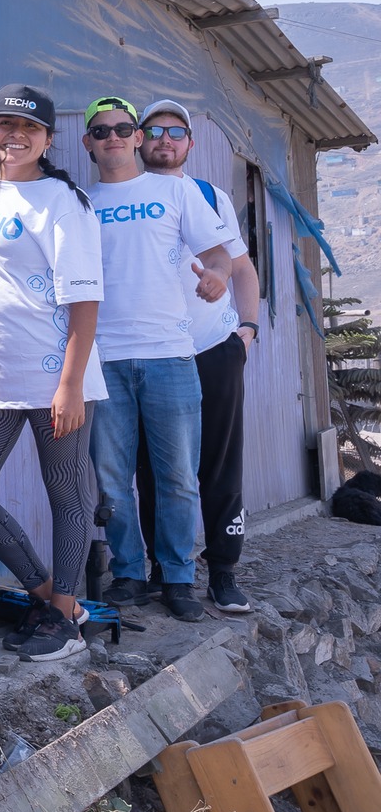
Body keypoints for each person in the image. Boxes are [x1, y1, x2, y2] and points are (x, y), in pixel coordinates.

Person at [0, 86, 105, 663]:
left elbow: (85, 302)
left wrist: (70, 383)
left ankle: (64, 614)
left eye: (29, 128)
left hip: (55, 373)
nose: (15, 136)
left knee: (66, 494)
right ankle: (50, 598)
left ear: (46, 138)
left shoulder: (63, 201)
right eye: (4, 125)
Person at [80, 97, 235, 622]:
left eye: (124, 128)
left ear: (138, 138)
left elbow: (219, 253)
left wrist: (216, 275)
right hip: (103, 360)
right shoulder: (79, 201)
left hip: (171, 355)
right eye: (102, 131)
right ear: (88, 143)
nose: (114, 137)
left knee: (177, 478)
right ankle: (127, 573)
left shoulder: (176, 190)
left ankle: (177, 578)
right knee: (112, 478)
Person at [132, 100, 260, 617]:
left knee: (219, 461)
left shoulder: (209, 196)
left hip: (212, 347)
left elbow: (242, 268)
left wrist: (244, 334)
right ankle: (165, 570)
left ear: (189, 143)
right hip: (154, 353)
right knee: (154, 468)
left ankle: (223, 570)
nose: (165, 139)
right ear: (138, 139)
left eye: (176, 131)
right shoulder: (120, 196)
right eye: (155, 130)